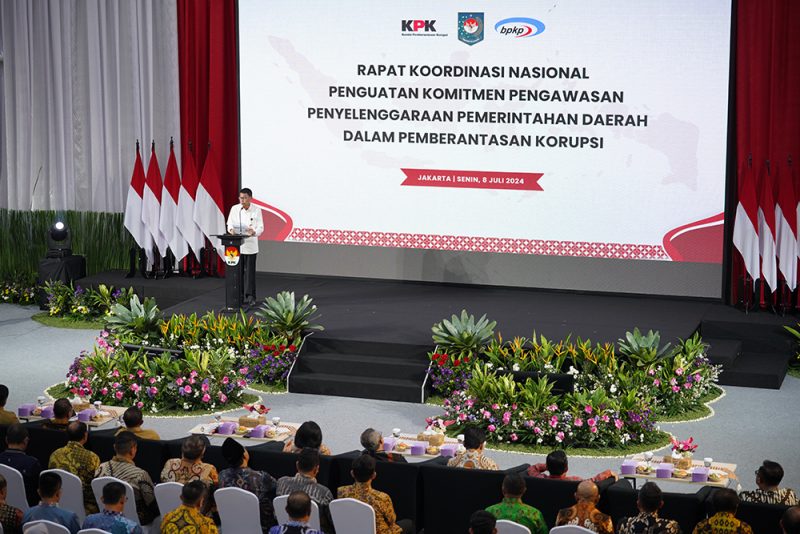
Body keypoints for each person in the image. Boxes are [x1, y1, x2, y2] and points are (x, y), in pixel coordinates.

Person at [337, 454, 413, 534]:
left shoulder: (341, 492)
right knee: (409, 523)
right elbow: (392, 520)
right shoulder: (382, 498)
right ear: (374, 475)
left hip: (351, 531)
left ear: (352, 473)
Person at [94, 431, 159, 525]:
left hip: (106, 515)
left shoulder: (100, 468)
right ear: (133, 450)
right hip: (136, 521)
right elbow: (152, 504)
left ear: (114, 447)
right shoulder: (140, 475)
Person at [218, 437, 277, 532]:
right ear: (244, 455)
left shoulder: (222, 476)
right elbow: (277, 486)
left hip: (232, 526)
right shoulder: (260, 477)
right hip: (261, 528)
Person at [275, 448, 333, 533]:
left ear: (297, 465)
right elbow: (333, 521)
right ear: (316, 469)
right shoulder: (324, 493)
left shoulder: (281, 483)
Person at [48, 421, 101, 514]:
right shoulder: (92, 458)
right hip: (84, 506)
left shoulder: (54, 454)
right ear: (85, 436)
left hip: (56, 502)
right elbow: (96, 486)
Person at [226, 187, 264, 305]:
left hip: (251, 246)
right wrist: (231, 230)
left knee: (249, 273)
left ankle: (251, 297)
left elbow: (261, 227)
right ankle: (239, 296)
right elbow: (229, 224)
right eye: (240, 198)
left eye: (245, 198)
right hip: (237, 246)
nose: (242, 200)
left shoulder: (256, 210)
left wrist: (254, 232)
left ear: (250, 198)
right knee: (238, 272)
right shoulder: (235, 209)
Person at [0, 423, 42, 506]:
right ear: (26, 441)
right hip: (26, 512)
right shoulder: (32, 463)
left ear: (6, 440)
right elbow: (39, 491)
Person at [527, 450, 615, 482]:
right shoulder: (574, 481)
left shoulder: (539, 479)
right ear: (567, 468)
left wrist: (549, 465)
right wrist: (608, 473)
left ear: (548, 467)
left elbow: (532, 468)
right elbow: (593, 481)